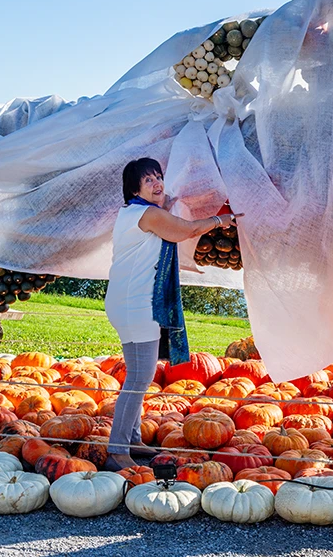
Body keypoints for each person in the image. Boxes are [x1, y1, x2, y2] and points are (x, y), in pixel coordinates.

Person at [103, 157, 239, 471]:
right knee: (139, 378)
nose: (157, 183)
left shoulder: (135, 212)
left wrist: (173, 202)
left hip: (129, 302)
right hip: (136, 305)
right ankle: (117, 450)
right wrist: (221, 219)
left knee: (139, 374)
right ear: (134, 189)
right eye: (148, 180)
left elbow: (168, 217)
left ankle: (132, 439)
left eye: (158, 176)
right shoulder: (147, 215)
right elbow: (185, 231)